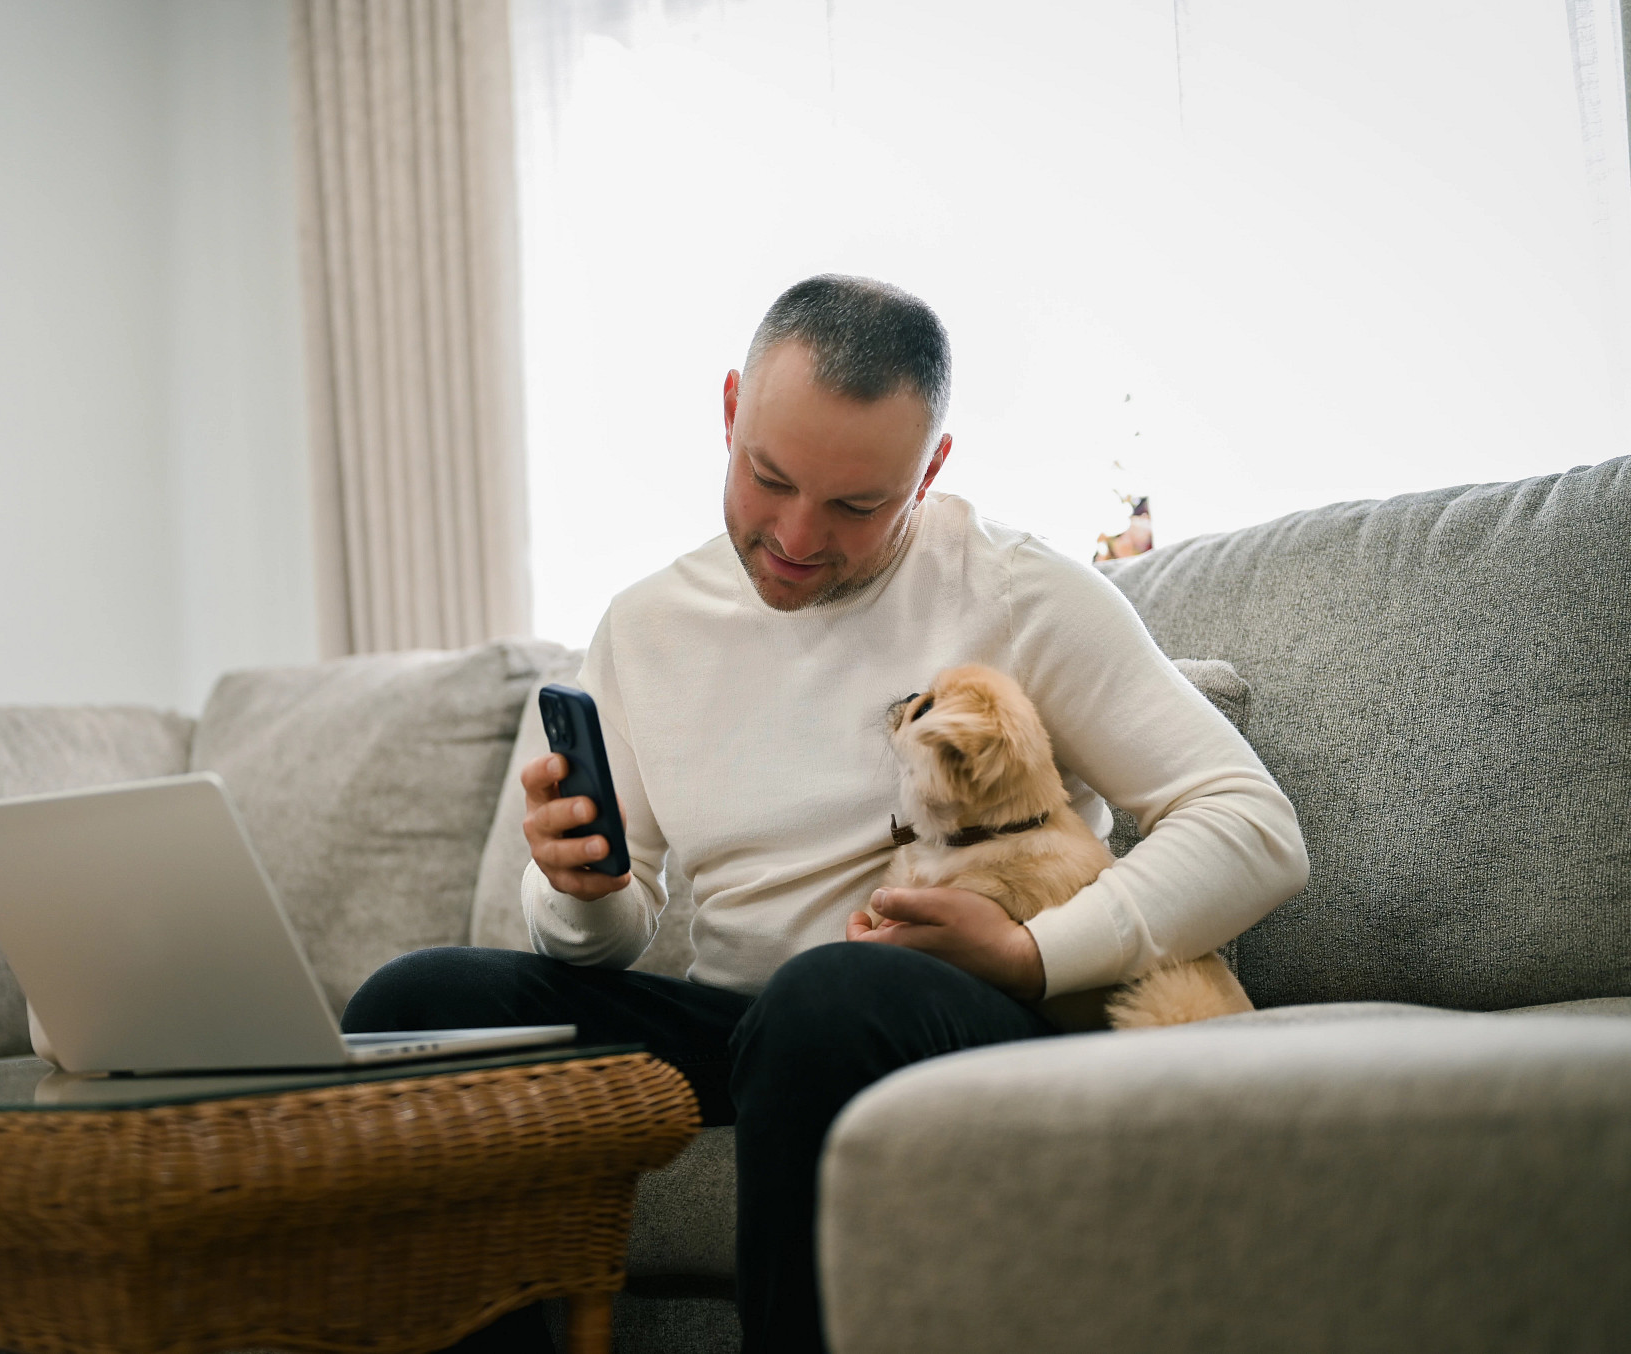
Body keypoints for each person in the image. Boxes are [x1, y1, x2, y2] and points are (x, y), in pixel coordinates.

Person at [343, 275, 1310, 1353]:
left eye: (856, 506)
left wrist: (1029, 951)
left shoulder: (1016, 591)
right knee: (415, 1002)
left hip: (945, 1017)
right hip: (739, 1022)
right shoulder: (647, 628)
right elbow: (617, 927)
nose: (796, 536)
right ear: (728, 413)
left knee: (823, 1000)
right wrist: (581, 891)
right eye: (768, 479)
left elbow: (1249, 824)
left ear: (929, 470)